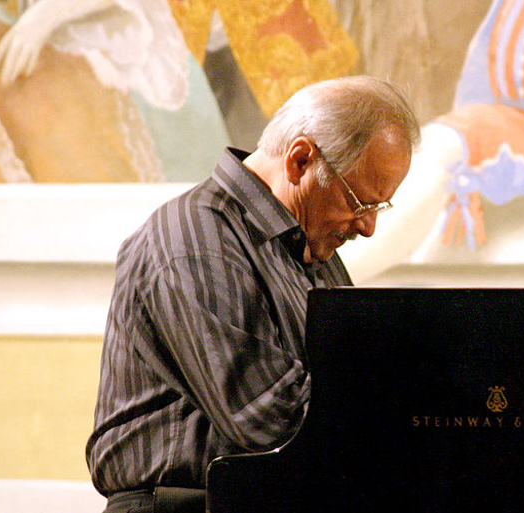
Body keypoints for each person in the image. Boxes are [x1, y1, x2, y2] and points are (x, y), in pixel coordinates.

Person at [85, 74, 420, 513]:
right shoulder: (196, 237)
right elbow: (268, 419)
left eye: (379, 207)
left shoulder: (313, 248)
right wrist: (413, 418)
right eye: (360, 202)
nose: (368, 227)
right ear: (300, 160)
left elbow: (344, 388)